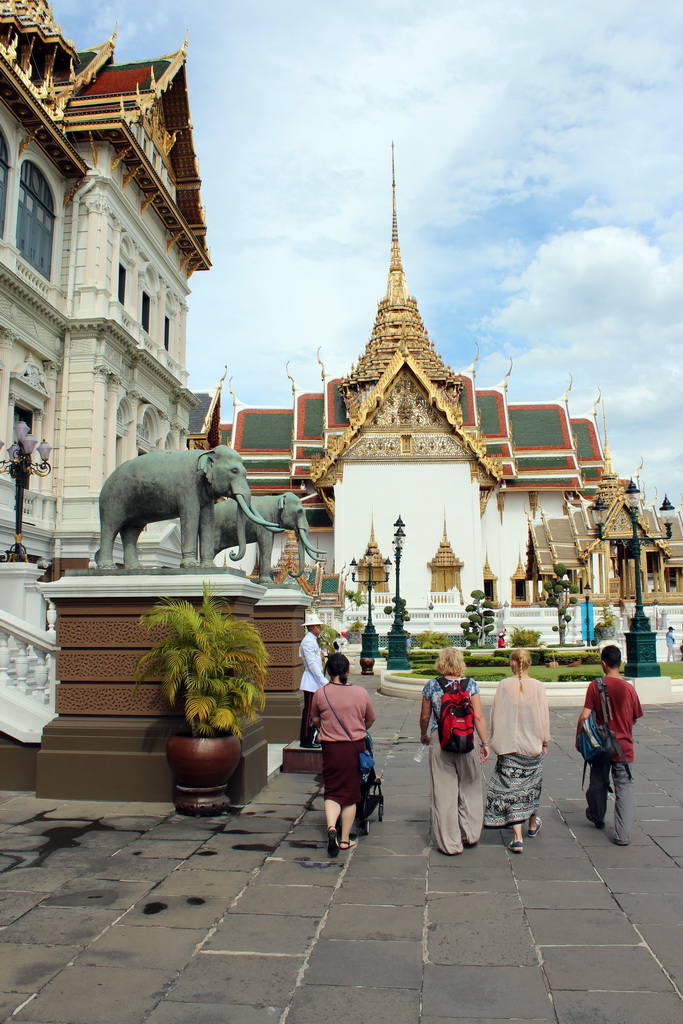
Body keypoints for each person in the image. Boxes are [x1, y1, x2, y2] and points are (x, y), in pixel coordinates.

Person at [419, 647, 490, 856]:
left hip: (441, 738)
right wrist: (485, 743)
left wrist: (424, 734)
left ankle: (451, 843)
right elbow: (478, 717)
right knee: (470, 788)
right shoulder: (470, 684)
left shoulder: (432, 685)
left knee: (444, 793)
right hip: (466, 739)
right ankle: (470, 834)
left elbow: (424, 717)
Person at [484, 649, 550, 853]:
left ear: (513, 664)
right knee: (531, 786)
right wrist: (545, 741)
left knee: (511, 790)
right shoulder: (538, 686)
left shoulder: (504, 685)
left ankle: (517, 836)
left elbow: (495, 714)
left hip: (508, 747)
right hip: (531, 745)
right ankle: (531, 825)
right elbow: (543, 717)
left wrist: (493, 737)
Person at [576, 644, 643, 846]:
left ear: (603, 664)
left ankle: (597, 816)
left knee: (598, 782)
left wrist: (579, 737)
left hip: (601, 745)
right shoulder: (629, 689)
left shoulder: (595, 686)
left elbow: (585, 715)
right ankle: (622, 834)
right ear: (620, 663)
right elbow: (635, 718)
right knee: (624, 787)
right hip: (624, 746)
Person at [310, 652, 376, 856]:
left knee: (331, 791)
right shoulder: (360, 692)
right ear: (347, 671)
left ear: (328, 671)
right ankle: (345, 839)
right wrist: (357, 728)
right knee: (350, 795)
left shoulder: (321, 693)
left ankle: (331, 828)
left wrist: (328, 727)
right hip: (354, 747)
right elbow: (370, 719)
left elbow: (314, 719)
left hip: (331, 749)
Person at [298, 612, 327, 748]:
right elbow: (312, 665)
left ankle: (313, 737)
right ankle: (306, 740)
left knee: (314, 711)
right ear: (311, 627)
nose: (320, 628)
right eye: (317, 625)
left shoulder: (312, 640)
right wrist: (323, 681)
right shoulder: (308, 641)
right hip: (311, 681)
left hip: (314, 681)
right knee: (309, 712)